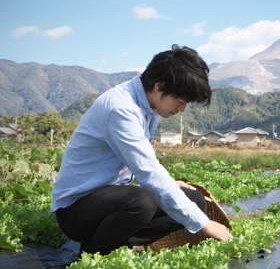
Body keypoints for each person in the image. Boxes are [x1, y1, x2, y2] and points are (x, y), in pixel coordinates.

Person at [51, 45, 233, 255]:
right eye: (180, 101)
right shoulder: (121, 109)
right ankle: (93, 252)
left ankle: (117, 242)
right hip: (76, 211)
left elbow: (140, 164)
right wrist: (204, 224)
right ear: (159, 86)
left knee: (195, 201)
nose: (181, 110)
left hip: (108, 198)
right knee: (143, 201)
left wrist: (173, 189)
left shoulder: (148, 104)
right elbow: (149, 172)